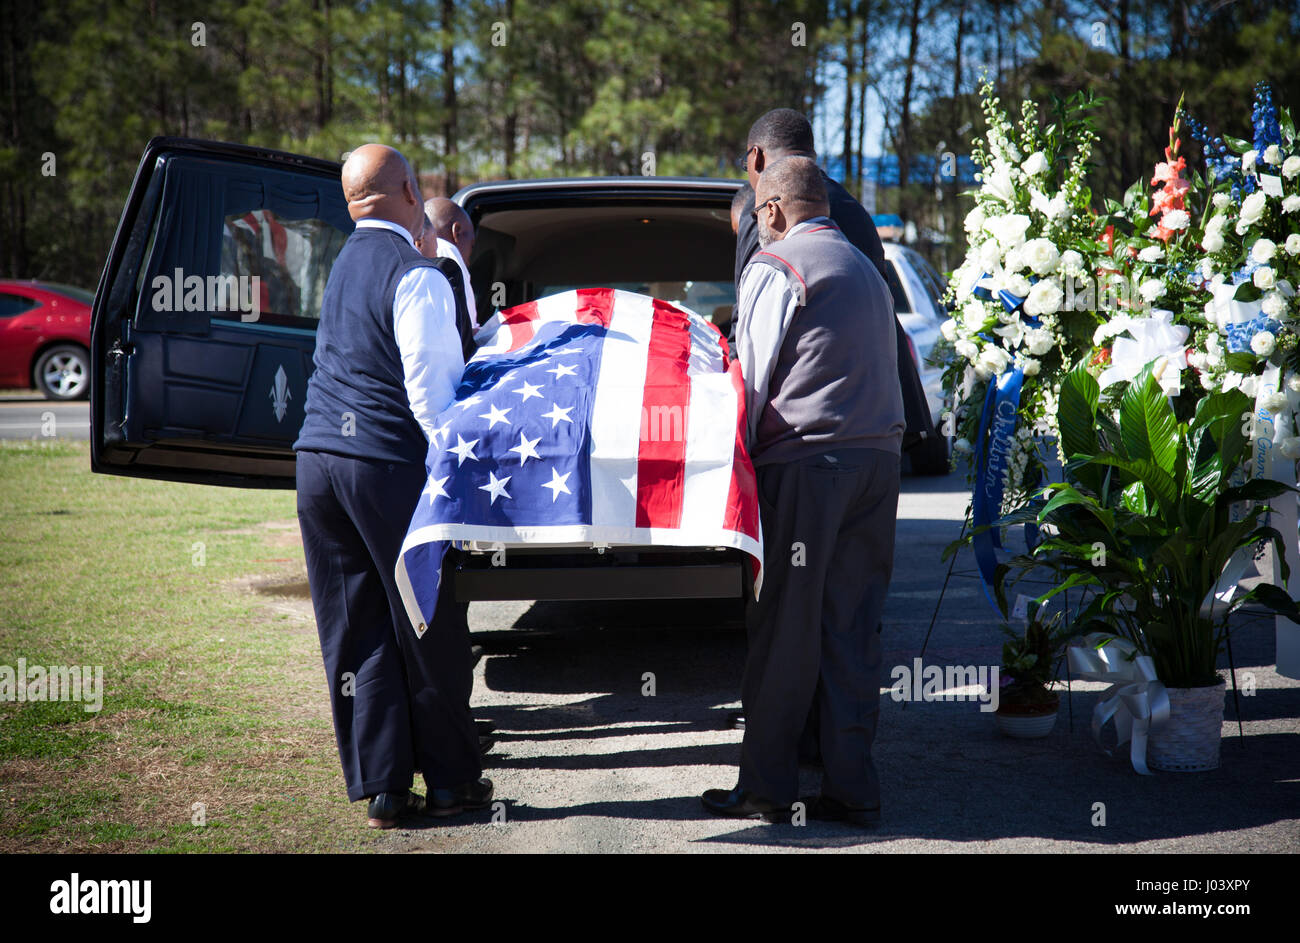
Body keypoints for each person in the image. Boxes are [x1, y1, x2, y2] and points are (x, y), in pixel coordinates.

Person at [293, 143, 491, 828]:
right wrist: (457, 481)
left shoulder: (340, 265)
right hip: (385, 464)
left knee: (358, 626)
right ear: (411, 188)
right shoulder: (419, 273)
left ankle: (384, 786)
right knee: (428, 617)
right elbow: (431, 395)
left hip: (316, 461)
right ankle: (452, 783)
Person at [702, 156, 903, 828]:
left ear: (776, 209)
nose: (761, 227)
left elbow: (751, 379)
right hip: (878, 462)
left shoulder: (777, 265)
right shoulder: (867, 269)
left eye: (761, 214)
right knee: (852, 626)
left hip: (807, 466)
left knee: (785, 624)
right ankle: (853, 786)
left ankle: (764, 782)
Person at [734, 108, 935, 455]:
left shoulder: (767, 209)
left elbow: (751, 332)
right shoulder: (855, 211)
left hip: (800, 442)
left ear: (756, 157)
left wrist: (741, 438)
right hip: (877, 432)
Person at [421, 197, 478, 329]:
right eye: (472, 245)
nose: (469, 261)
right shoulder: (446, 250)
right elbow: (467, 325)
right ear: (456, 232)